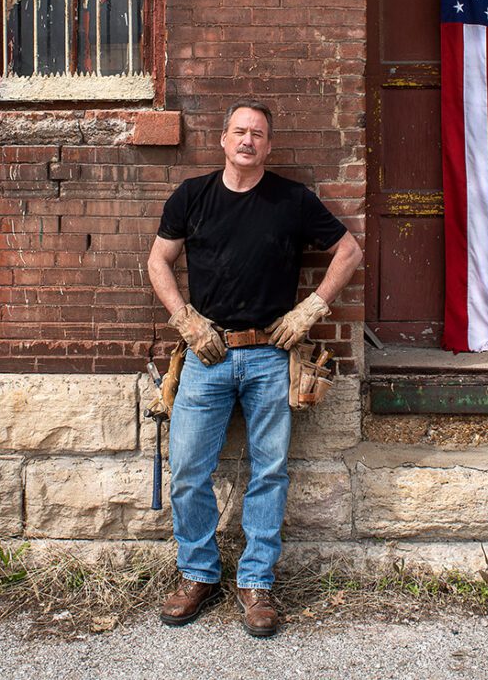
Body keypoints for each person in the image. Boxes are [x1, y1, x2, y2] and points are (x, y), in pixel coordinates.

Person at [147, 99, 362, 637]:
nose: (248, 140)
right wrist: (185, 321)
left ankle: (256, 583)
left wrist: (312, 309)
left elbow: (349, 250)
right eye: (239, 131)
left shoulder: (291, 200)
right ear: (223, 139)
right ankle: (198, 574)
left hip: (270, 355)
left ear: (268, 145)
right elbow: (158, 261)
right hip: (205, 354)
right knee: (189, 471)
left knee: (269, 472)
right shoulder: (192, 196)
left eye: (258, 134)